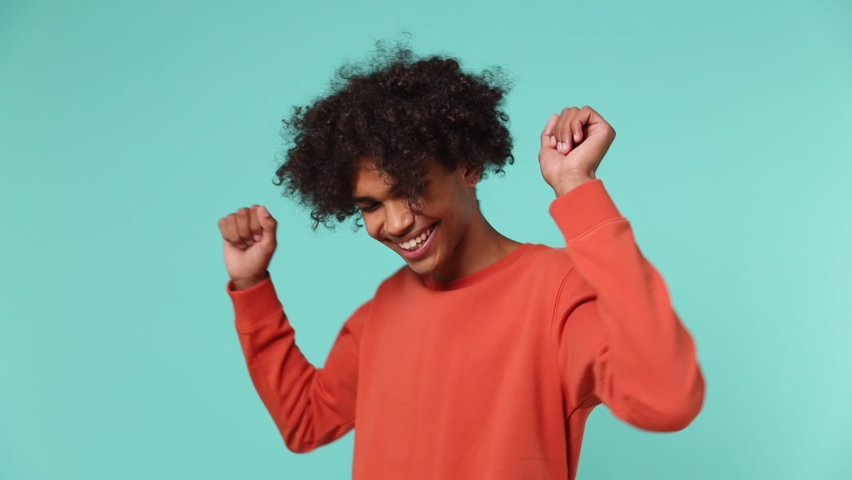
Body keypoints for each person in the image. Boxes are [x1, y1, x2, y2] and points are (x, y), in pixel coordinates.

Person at [218, 43, 705, 480]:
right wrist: (252, 284)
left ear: (468, 166)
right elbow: (307, 421)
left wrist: (578, 191)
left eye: (410, 190)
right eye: (369, 206)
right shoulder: (383, 310)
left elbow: (666, 399)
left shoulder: (556, 292)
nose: (394, 223)